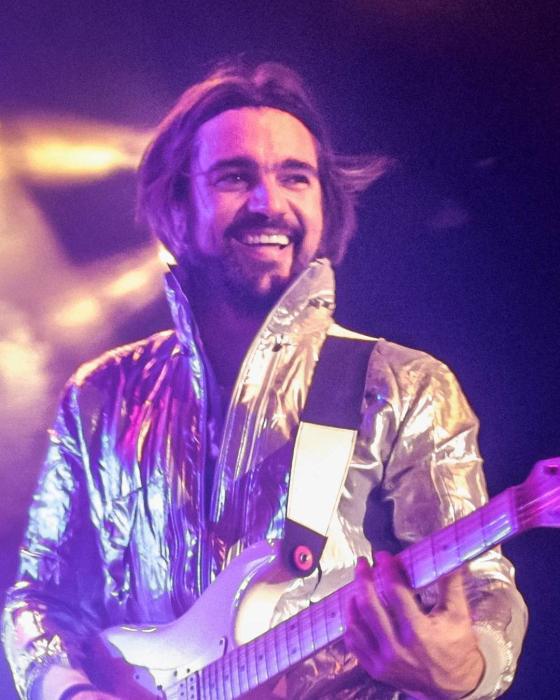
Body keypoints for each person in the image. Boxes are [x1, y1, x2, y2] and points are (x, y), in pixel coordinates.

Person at [2, 61, 527, 700]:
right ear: (178, 205)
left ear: (325, 204)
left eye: (295, 177)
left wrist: (468, 669)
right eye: (234, 176)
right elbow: (41, 598)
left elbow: (481, 586)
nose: (268, 202)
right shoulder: (101, 394)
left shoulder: (406, 388)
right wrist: (70, 692)